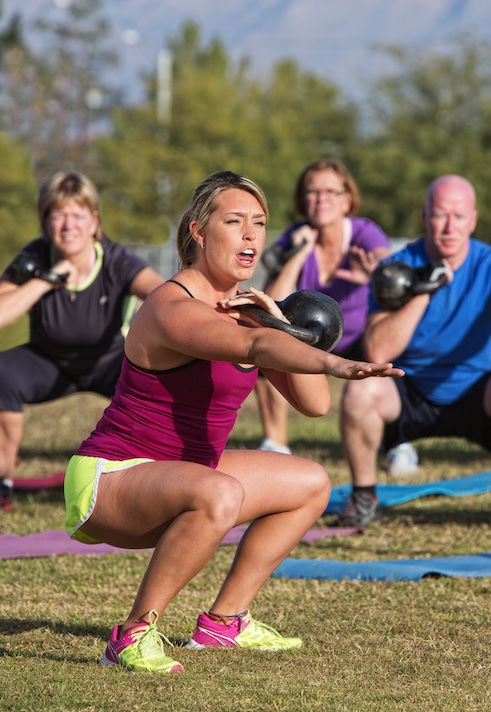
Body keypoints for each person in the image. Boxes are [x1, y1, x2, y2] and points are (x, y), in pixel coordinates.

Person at [63, 170, 403, 673]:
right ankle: (131, 636)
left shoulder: (246, 314)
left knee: (311, 483)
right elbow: (252, 347)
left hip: (187, 475)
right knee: (219, 491)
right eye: (235, 221)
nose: (250, 235)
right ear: (199, 232)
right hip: (110, 479)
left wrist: (280, 324)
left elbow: (314, 405)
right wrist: (333, 360)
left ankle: (225, 622)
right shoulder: (170, 305)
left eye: (260, 224)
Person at [337, 174, 491, 527]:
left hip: (476, 392)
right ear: (424, 219)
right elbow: (377, 351)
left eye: (459, 216)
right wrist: (424, 291)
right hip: (410, 390)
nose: (449, 227)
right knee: (361, 387)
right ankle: (363, 498)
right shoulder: (398, 266)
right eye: (440, 215)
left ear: (473, 220)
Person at [0, 171, 163, 511]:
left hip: (108, 361)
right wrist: (46, 281)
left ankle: (160, 479)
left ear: (94, 222)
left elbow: (165, 297)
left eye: (77, 215)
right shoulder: (35, 257)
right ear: (46, 222)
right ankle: (3, 481)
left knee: (161, 383)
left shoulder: (117, 260)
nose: (68, 225)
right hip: (48, 360)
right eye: (58, 215)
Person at [256, 158, 419, 476]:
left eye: (330, 191)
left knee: (386, 353)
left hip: (359, 338)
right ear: (303, 199)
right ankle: (276, 443)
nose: (321, 199)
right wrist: (300, 253)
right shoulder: (294, 238)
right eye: (313, 192)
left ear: (347, 198)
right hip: (312, 338)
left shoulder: (363, 232)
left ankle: (399, 440)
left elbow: (387, 264)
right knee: (267, 343)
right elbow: (271, 303)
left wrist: (375, 274)